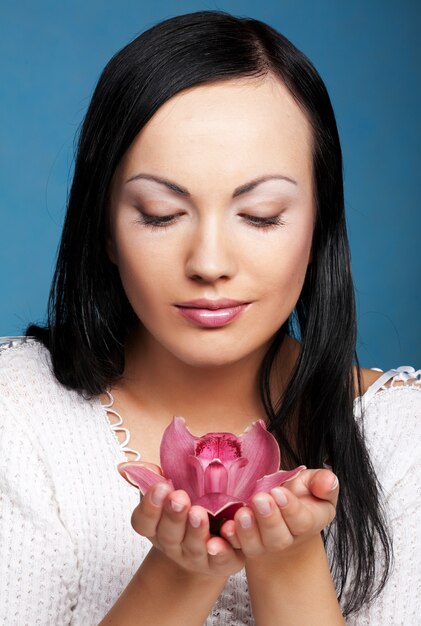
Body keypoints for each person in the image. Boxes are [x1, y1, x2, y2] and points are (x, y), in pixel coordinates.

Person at [0, 10, 419, 626]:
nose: (210, 263)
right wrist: (180, 571)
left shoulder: (404, 439)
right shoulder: (18, 412)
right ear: (106, 227)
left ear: (319, 222)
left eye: (261, 214)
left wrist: (288, 559)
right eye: (161, 214)